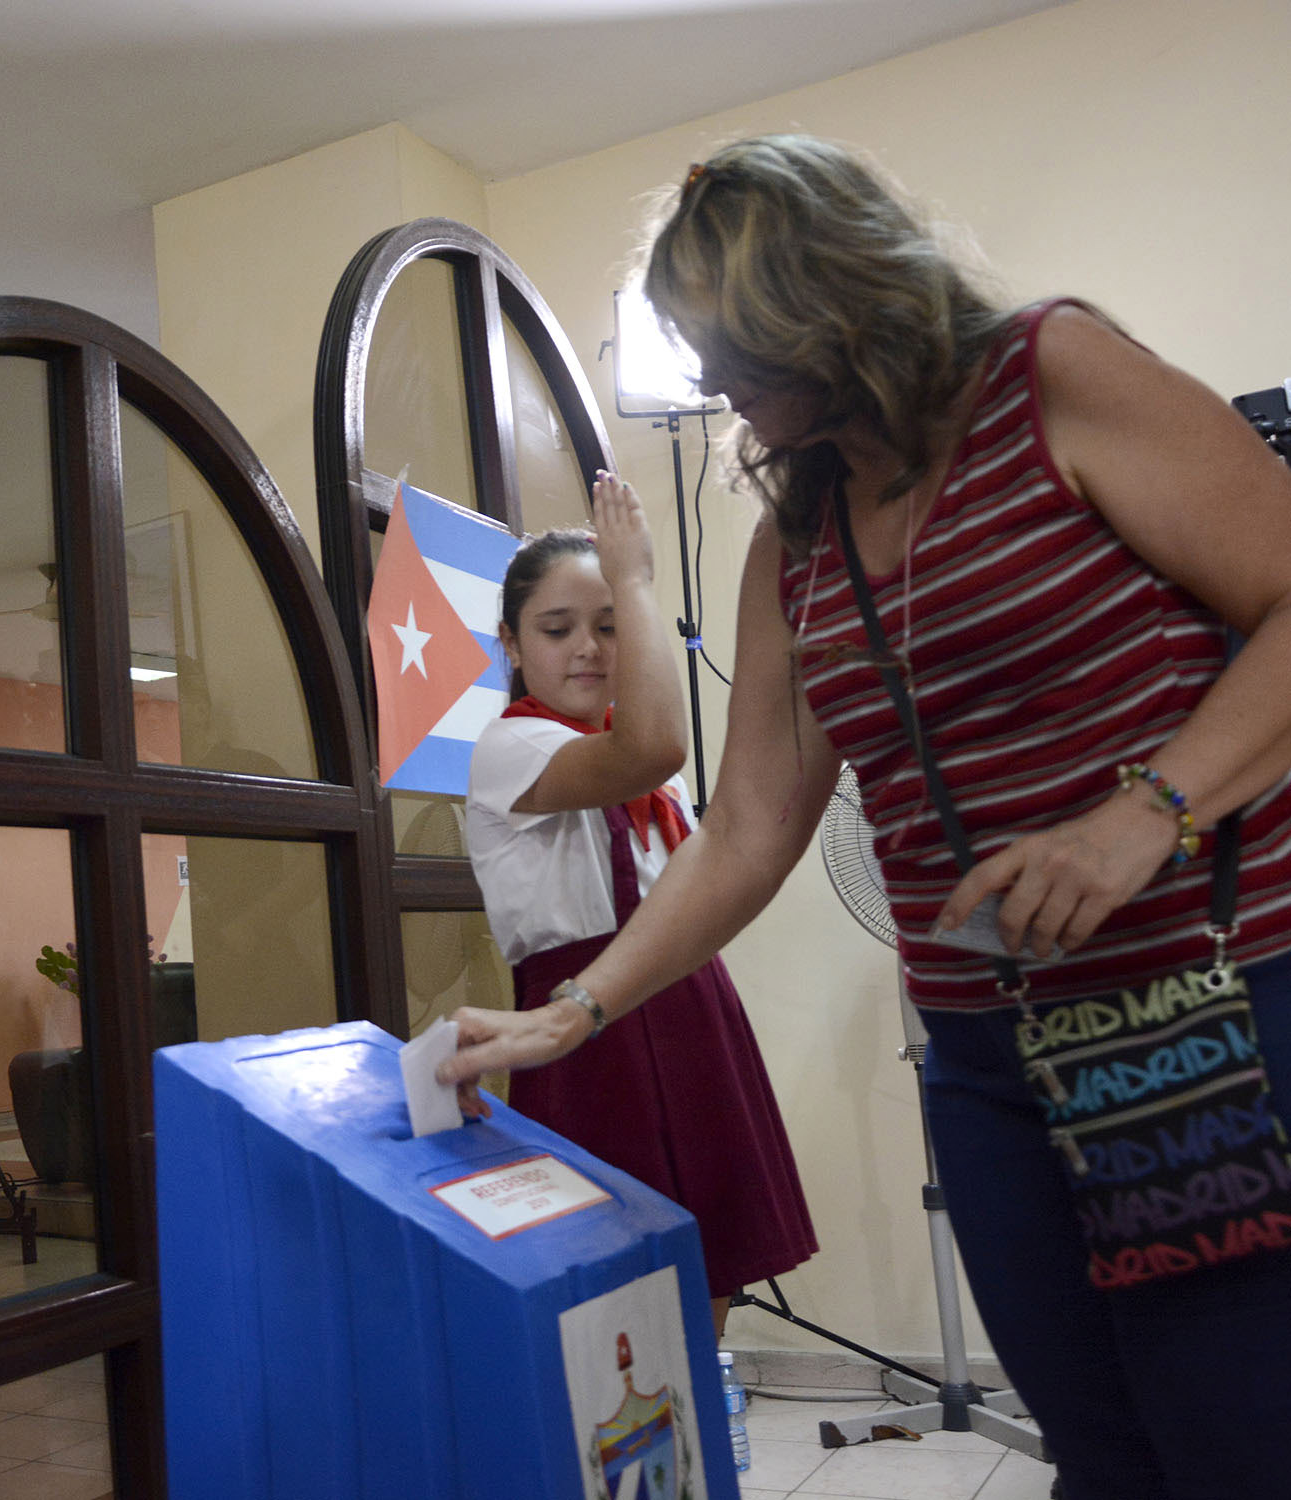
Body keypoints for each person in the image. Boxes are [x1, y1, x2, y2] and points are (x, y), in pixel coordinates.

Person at [440, 135, 1291, 1499]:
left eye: (729, 349)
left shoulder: (1053, 376)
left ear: (822, 302)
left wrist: (1145, 815)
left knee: (1238, 1439)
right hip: (983, 1054)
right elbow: (750, 824)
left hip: (1193, 1007)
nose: (713, 385)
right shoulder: (798, 538)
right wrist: (575, 1012)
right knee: (1102, 1451)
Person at [467, 473, 815, 1335]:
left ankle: (698, 1401)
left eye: (611, 625)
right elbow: (652, 744)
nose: (588, 648)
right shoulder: (511, 747)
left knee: (709, 1263)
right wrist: (633, 578)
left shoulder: (657, 784)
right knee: (606, 1281)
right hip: (586, 1028)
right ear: (510, 642)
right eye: (558, 629)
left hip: (690, 1001)